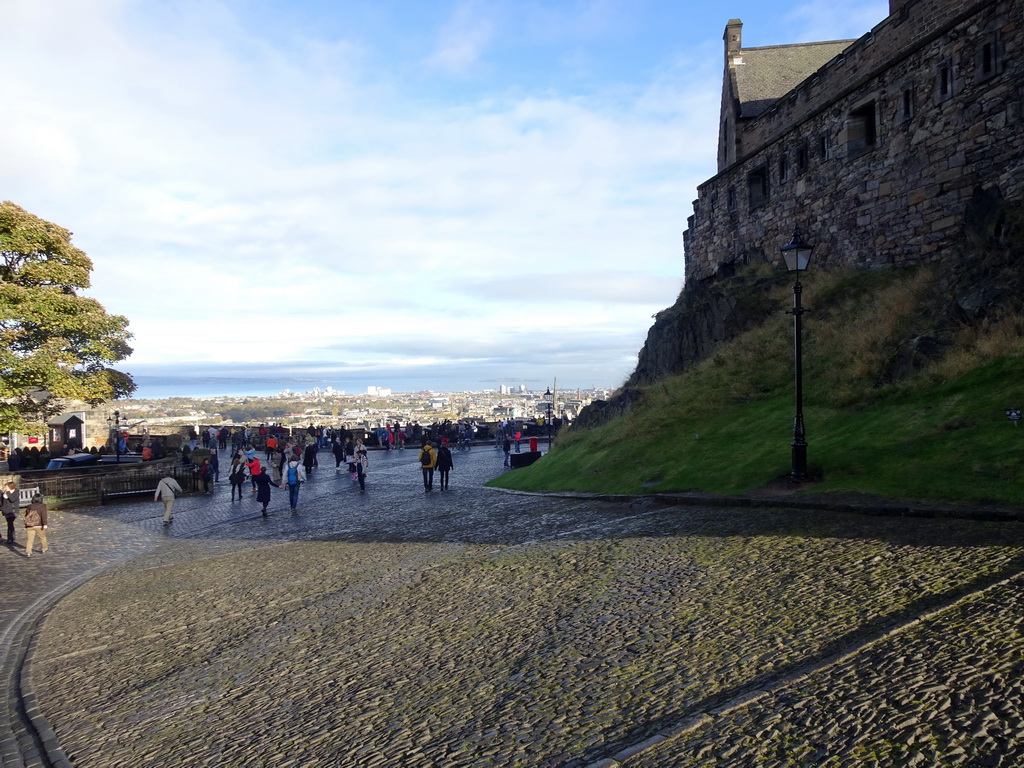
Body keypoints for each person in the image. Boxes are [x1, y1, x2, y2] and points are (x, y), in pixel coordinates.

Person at [1, 481, 17, 546]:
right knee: (10, 524)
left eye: (6, 487)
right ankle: (11, 537)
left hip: (12, 511)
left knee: (10, 524)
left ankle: (10, 538)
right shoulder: (4, 493)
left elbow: (12, 499)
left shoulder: (15, 492)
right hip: (6, 511)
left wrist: (7, 493)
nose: (5, 488)